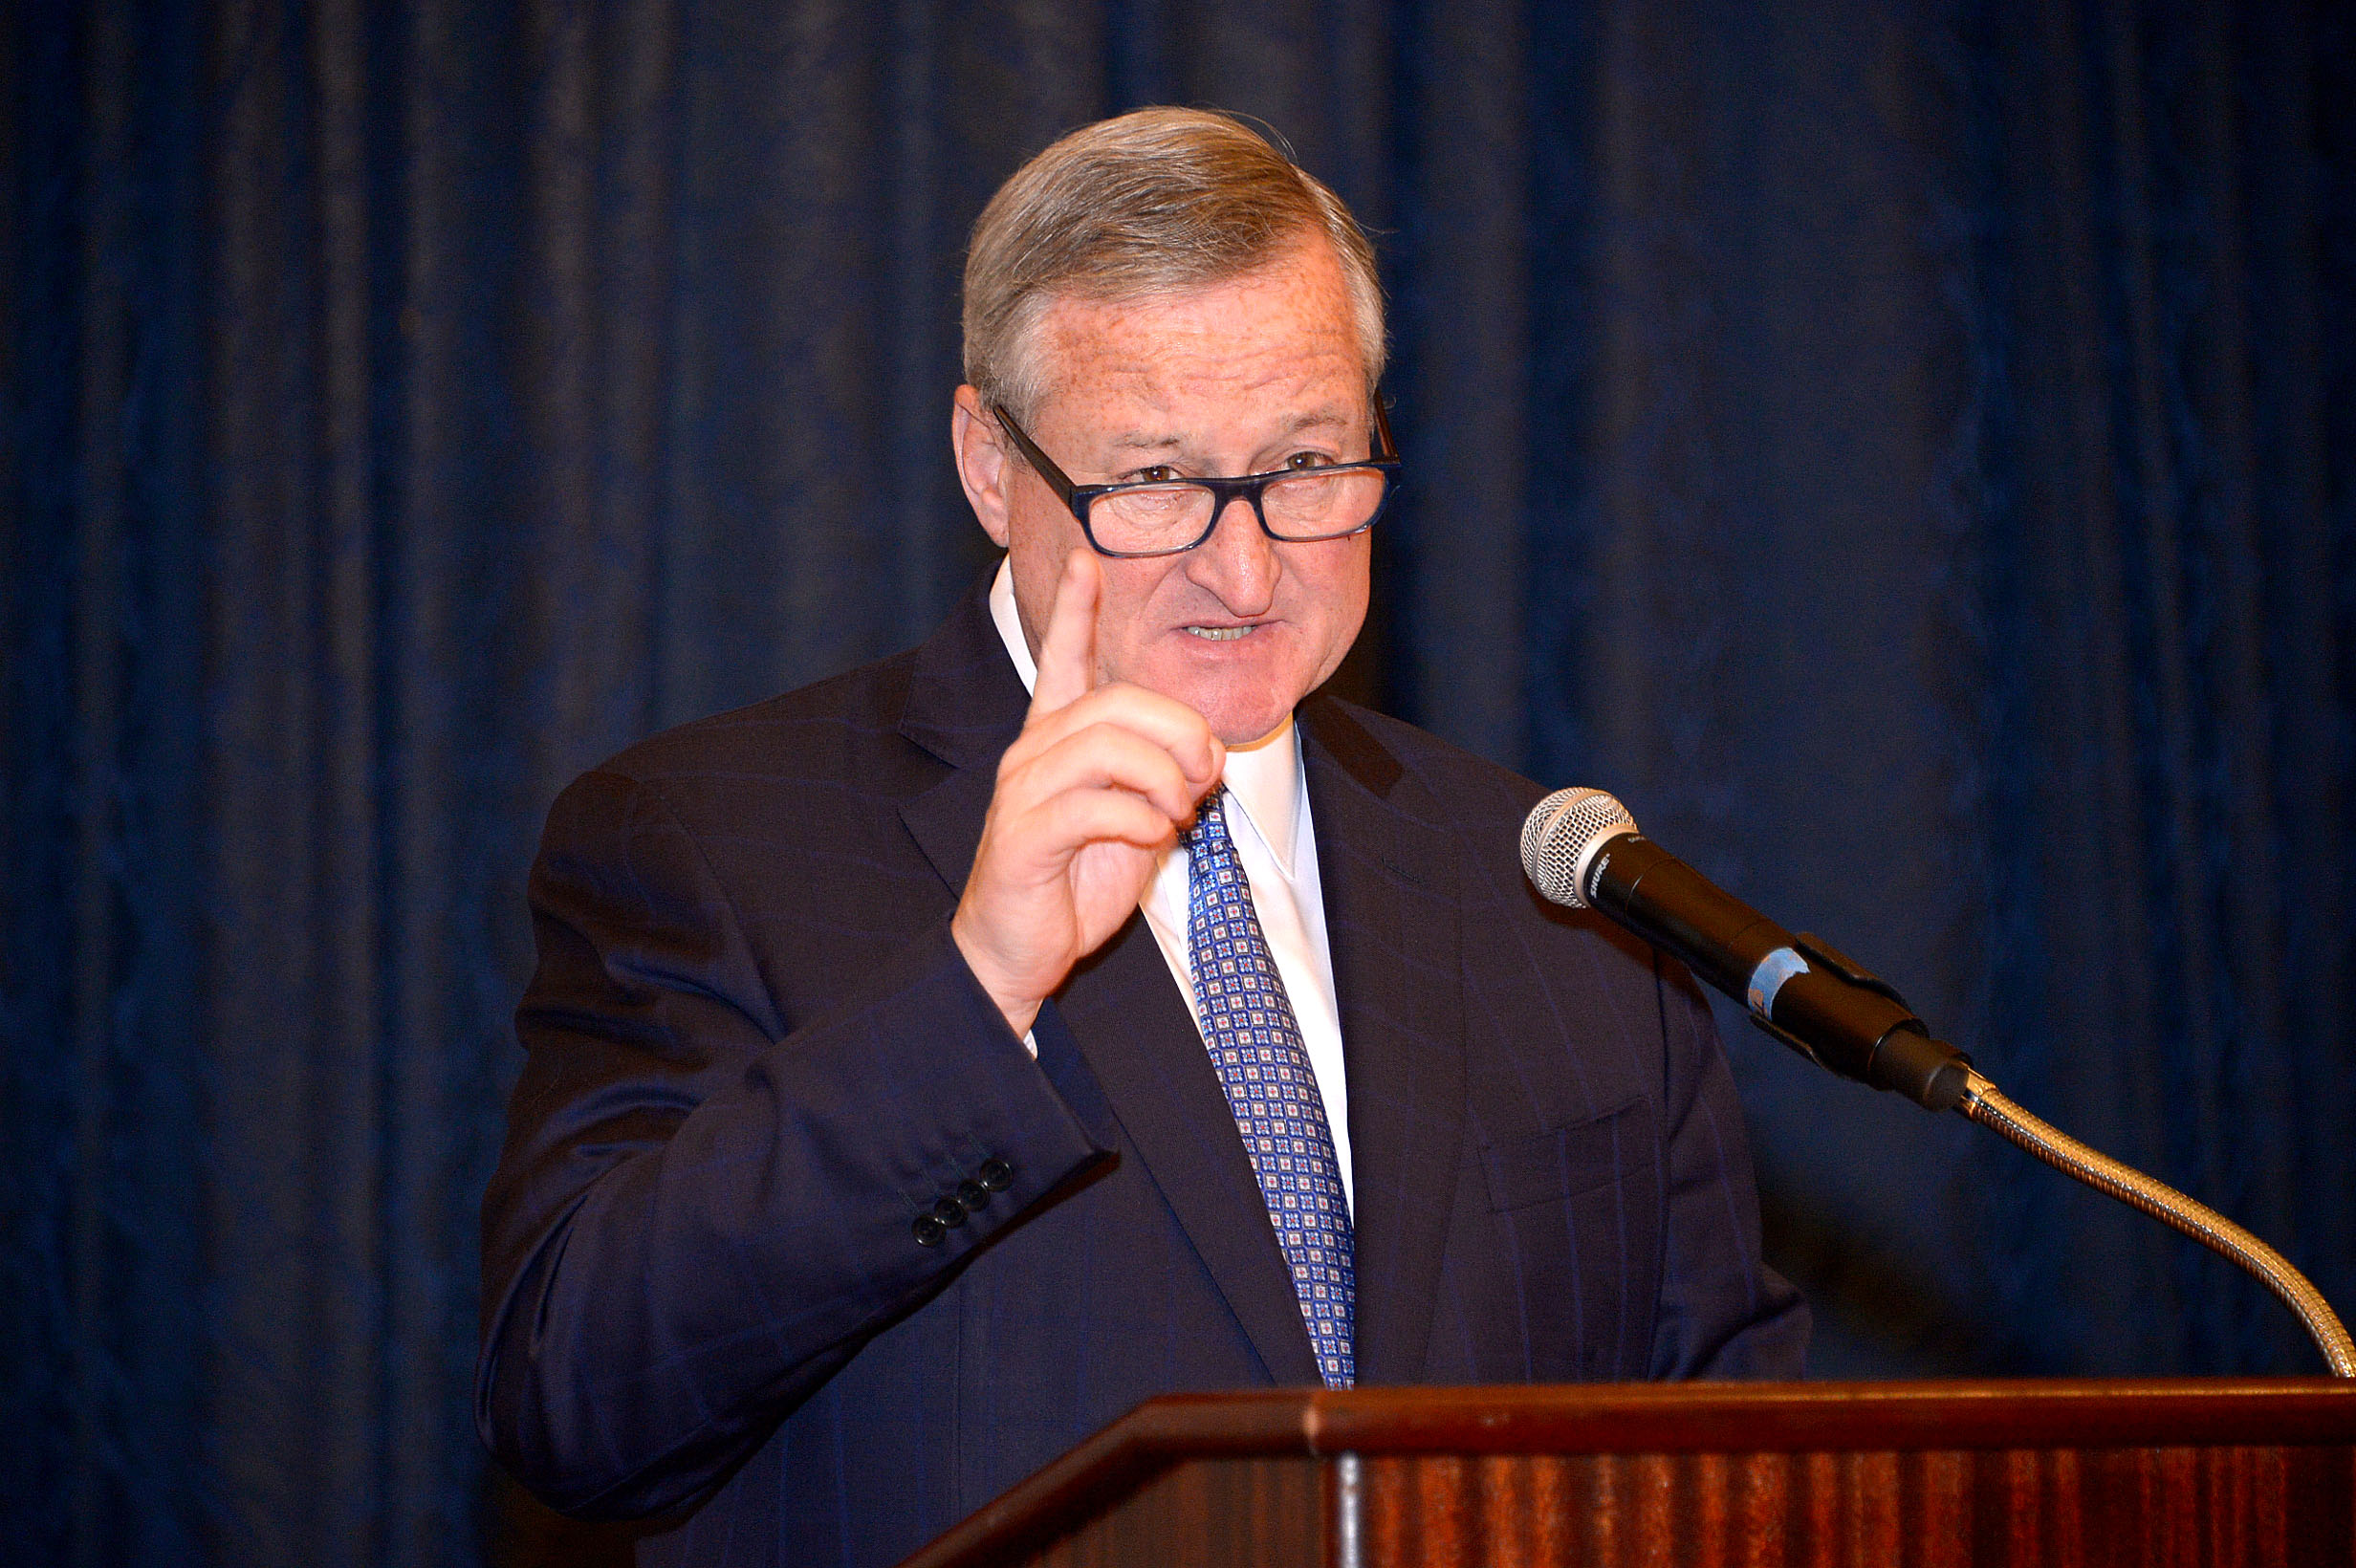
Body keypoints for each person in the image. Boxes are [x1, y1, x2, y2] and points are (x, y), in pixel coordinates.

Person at [477, 107, 1805, 1568]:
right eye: (1158, 482)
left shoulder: (1548, 882)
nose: (1246, 567)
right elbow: (577, 1409)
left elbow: (1722, 1444)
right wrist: (978, 987)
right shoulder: (713, 840)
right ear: (993, 465)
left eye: (1307, 464)